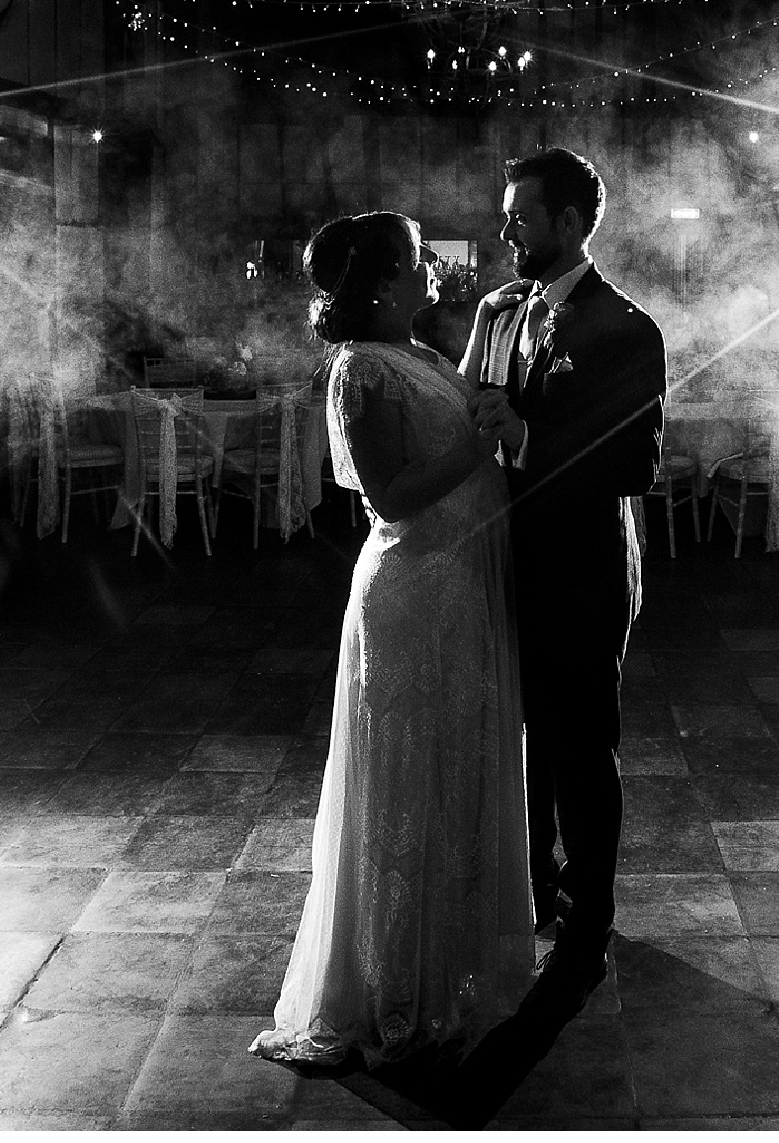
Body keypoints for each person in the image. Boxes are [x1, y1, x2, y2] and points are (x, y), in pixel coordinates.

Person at [251, 212, 535, 1067]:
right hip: (414, 591)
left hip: (460, 586)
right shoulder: (361, 370)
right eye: (418, 262)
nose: (434, 274)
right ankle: (393, 985)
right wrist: (482, 440)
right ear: (380, 283)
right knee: (409, 778)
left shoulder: (421, 354)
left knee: (455, 772)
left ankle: (449, 966)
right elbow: (392, 495)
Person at [462, 149, 666, 997]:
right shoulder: (502, 308)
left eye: (520, 216)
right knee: (526, 735)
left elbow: (632, 464)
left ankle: (590, 920)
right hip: (505, 554)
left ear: (571, 225)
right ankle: (534, 886)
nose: (506, 228)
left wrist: (520, 434)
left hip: (582, 565)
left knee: (582, 743)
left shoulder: (625, 328)